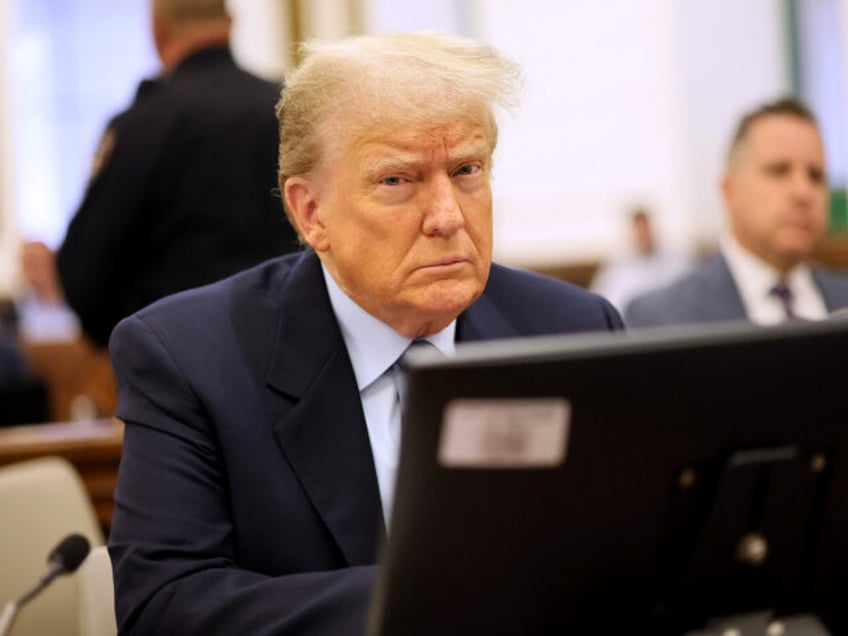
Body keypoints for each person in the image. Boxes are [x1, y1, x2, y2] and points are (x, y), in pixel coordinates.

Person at [107, 32, 624, 635]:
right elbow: (163, 606)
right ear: (311, 213)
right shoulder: (190, 357)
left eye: (466, 170)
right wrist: (432, 601)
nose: (448, 216)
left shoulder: (572, 331)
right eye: (398, 181)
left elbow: (632, 558)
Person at [56, 0, 300, 348]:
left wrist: (139, 340)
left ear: (158, 30)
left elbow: (84, 274)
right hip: (294, 351)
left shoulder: (143, 124)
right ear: (230, 23)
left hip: (180, 358)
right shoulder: (290, 110)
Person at [625, 97, 848, 328]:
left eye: (816, 176)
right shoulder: (662, 318)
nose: (803, 192)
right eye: (779, 171)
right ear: (729, 191)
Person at [589, 207, 692, 312]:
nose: (644, 234)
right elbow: (605, 305)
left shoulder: (677, 261)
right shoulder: (616, 270)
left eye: (646, 228)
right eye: (639, 230)